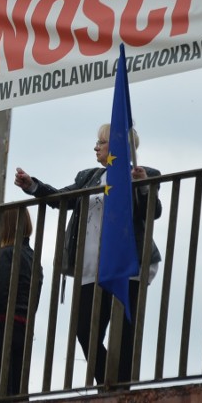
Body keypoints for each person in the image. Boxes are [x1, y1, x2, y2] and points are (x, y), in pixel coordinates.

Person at [14, 123, 161, 385]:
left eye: (102, 142)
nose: (96, 146)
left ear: (117, 147)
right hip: (90, 268)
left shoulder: (142, 174)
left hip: (126, 267)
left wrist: (142, 186)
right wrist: (33, 186)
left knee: (124, 333)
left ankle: (121, 389)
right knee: (85, 330)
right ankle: (109, 383)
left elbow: (152, 212)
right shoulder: (88, 178)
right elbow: (62, 198)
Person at [0, 208, 42, 398]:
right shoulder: (34, 259)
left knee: (0, 390)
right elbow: (34, 301)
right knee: (19, 393)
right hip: (23, 329)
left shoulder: (6, 254)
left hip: (1, 328)